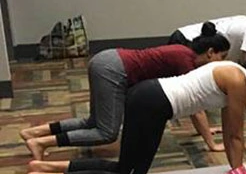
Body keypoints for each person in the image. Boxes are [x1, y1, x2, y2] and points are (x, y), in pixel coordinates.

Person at [25, 47, 246, 174]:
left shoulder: (232, 69)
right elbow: (234, 135)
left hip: (149, 97)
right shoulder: (236, 80)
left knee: (124, 168)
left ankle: (49, 168)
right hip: (152, 104)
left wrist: (235, 171)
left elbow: (230, 128)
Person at [19, 23, 231, 160]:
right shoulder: (185, 60)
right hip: (113, 70)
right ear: (211, 53)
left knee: (94, 122)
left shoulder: (183, 52)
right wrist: (211, 144)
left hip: (107, 60)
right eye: (222, 57)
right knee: (107, 133)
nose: (223, 63)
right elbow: (196, 109)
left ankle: (35, 132)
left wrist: (205, 130)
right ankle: (41, 143)